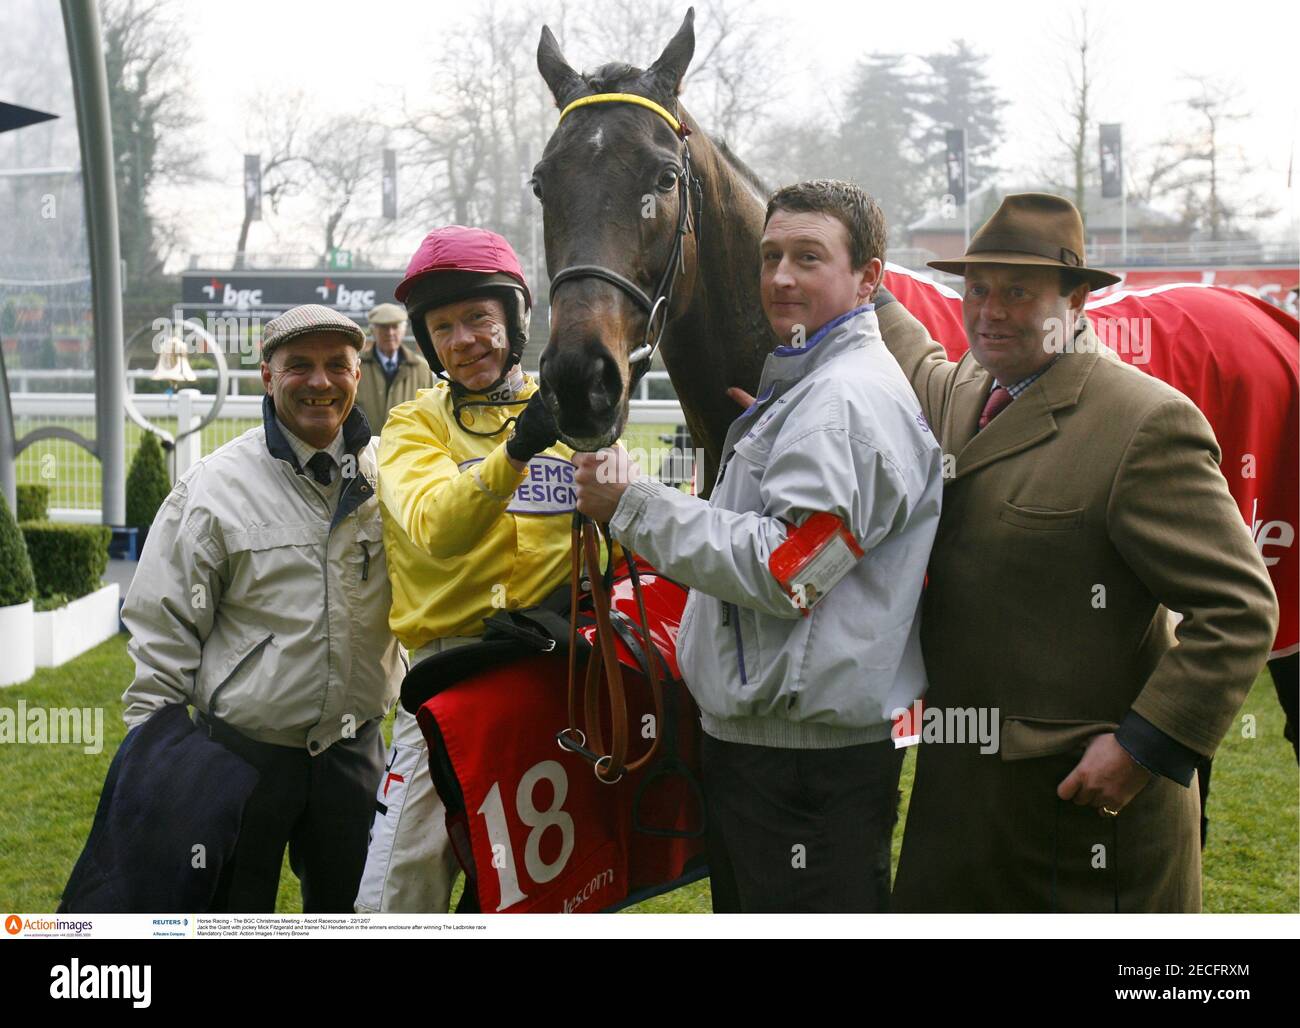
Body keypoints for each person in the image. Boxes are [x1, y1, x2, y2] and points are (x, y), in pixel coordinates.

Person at [883, 193, 1279, 912]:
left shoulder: (1144, 424)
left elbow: (1240, 609)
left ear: (1075, 302)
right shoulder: (969, 389)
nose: (991, 310)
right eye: (977, 289)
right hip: (963, 817)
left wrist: (1143, 749)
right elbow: (911, 352)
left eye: (1018, 292)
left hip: (1080, 822)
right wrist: (845, 266)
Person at [573, 180, 944, 913]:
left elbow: (792, 573)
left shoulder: (841, 404)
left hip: (799, 772)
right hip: (784, 756)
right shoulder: (818, 390)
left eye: (809, 258)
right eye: (770, 255)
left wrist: (634, 505)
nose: (780, 277)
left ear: (869, 277)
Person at [120, 303, 405, 912]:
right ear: (267, 378)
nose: (320, 381)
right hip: (239, 757)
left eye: (337, 365)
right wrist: (154, 762)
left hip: (356, 753)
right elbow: (160, 628)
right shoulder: (212, 488)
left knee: (353, 916)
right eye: (298, 365)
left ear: (358, 375)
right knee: (230, 916)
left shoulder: (396, 476)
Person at [355, 226, 601, 913]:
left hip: (551, 676)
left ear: (515, 321)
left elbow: (612, 532)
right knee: (398, 889)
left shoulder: (570, 414)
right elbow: (437, 527)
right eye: (444, 328)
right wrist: (521, 448)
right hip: (449, 679)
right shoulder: (413, 425)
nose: (464, 340)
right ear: (428, 344)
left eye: (479, 320)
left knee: (542, 888)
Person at [354, 302, 434, 434]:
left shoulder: (422, 369)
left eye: (395, 327)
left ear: (404, 330)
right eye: (383, 327)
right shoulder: (357, 366)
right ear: (372, 330)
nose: (390, 333)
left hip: (409, 449)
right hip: (364, 449)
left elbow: (430, 414)